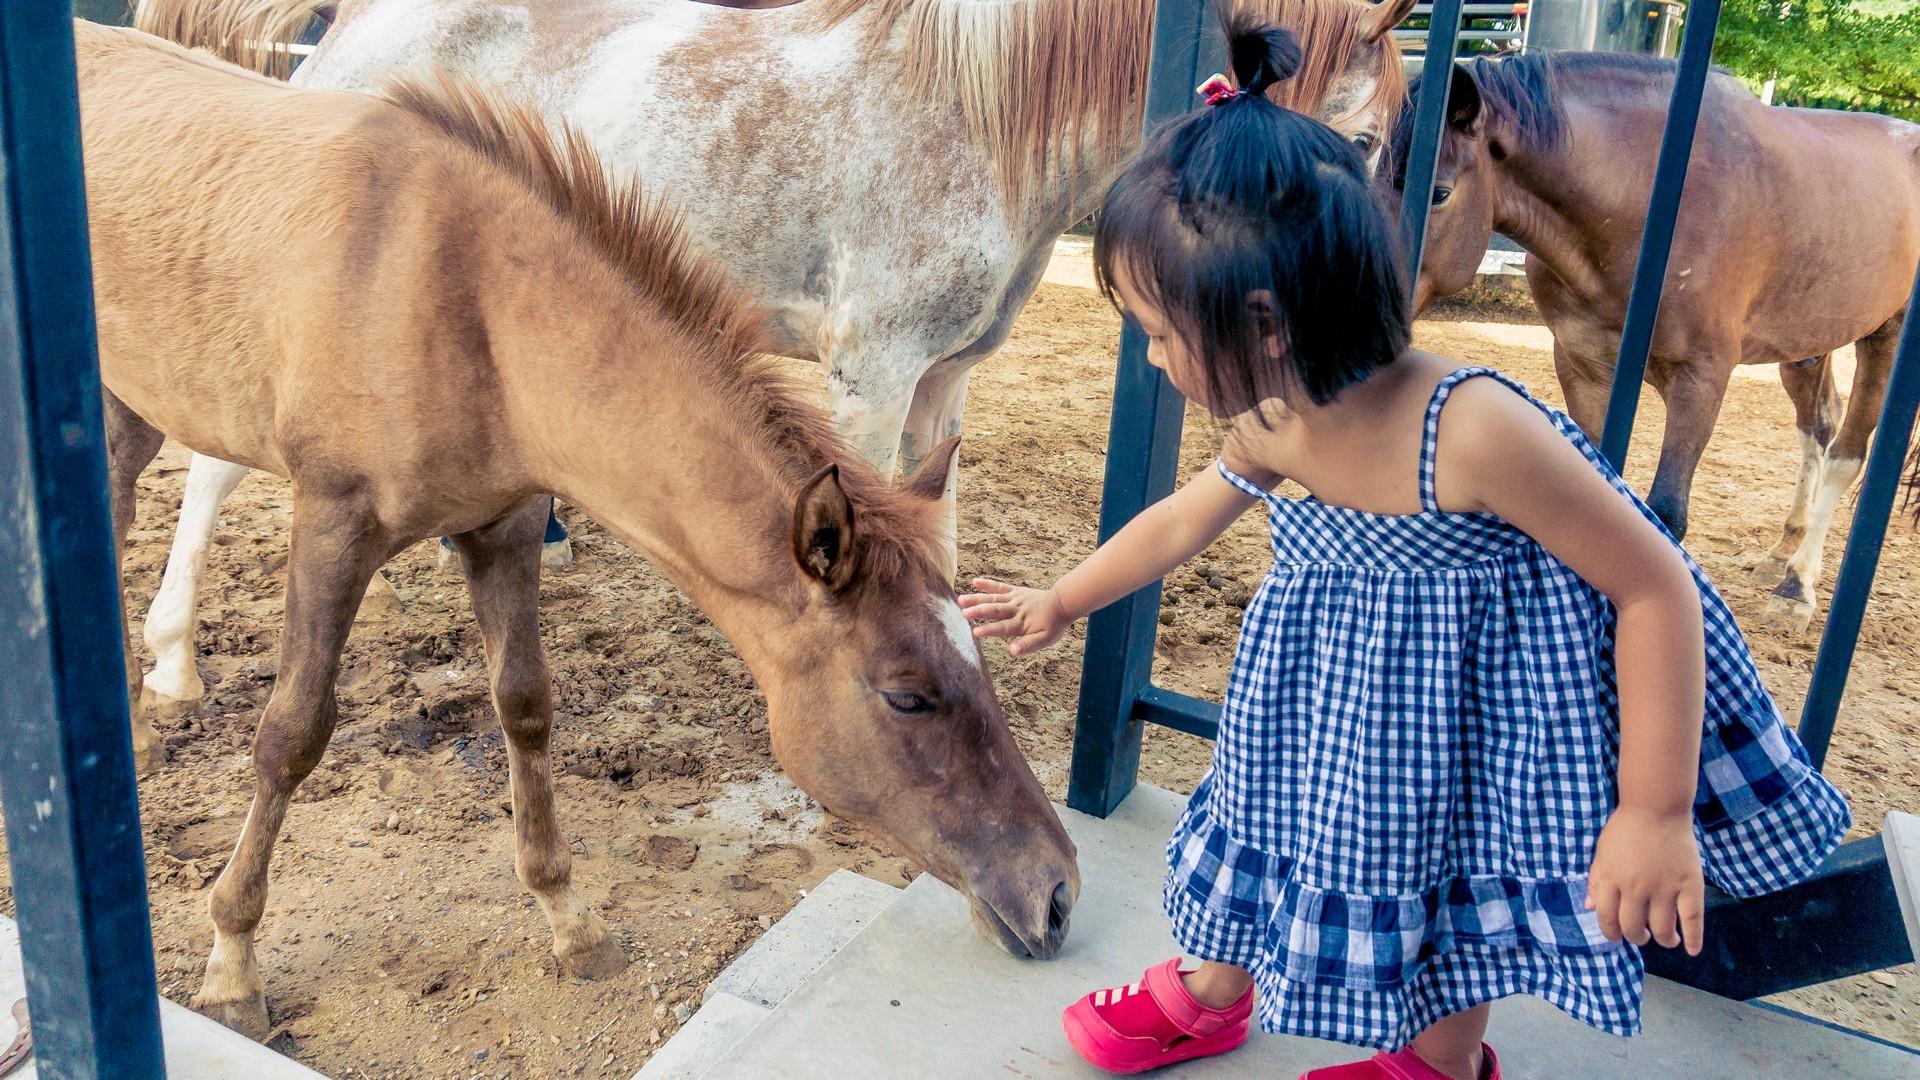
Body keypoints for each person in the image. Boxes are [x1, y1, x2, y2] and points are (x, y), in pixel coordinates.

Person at [959, 18, 1849, 1080]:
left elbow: (1655, 583)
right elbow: (1185, 518)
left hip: (1471, 726)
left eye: (1160, 332)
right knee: (1261, 824)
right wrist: (1064, 598)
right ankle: (1211, 993)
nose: (1152, 360)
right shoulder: (1277, 414)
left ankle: (1439, 1063)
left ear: (1266, 320)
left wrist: (1651, 813)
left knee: (1452, 891)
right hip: (1318, 708)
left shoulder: (1472, 428)